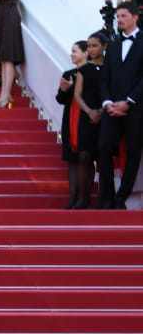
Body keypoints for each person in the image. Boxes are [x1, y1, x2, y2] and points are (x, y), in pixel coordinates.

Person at [98, 2, 143, 209]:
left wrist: (129, 102)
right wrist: (108, 102)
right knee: (104, 148)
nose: (120, 20)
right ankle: (107, 197)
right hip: (112, 109)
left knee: (134, 153)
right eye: (118, 16)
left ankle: (121, 198)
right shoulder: (114, 44)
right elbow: (104, 78)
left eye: (124, 16)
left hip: (136, 109)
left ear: (135, 17)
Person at [61, 34, 106, 209]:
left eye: (94, 46)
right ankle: (78, 198)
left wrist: (101, 111)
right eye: (89, 46)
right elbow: (69, 97)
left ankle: (94, 198)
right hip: (81, 118)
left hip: (103, 115)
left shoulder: (107, 68)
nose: (91, 49)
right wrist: (66, 90)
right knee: (82, 155)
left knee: (95, 156)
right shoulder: (78, 72)